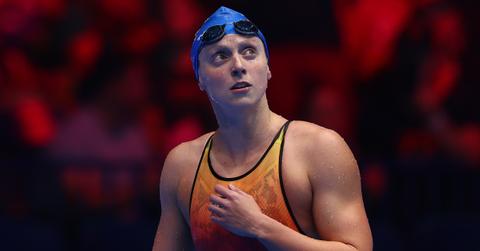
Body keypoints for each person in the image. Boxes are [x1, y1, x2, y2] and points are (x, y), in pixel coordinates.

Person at [152, 6, 372, 251]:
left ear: (267, 68)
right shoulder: (182, 165)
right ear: (200, 78)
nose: (238, 65)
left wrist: (259, 226)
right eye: (220, 56)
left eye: (249, 52)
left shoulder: (319, 149)